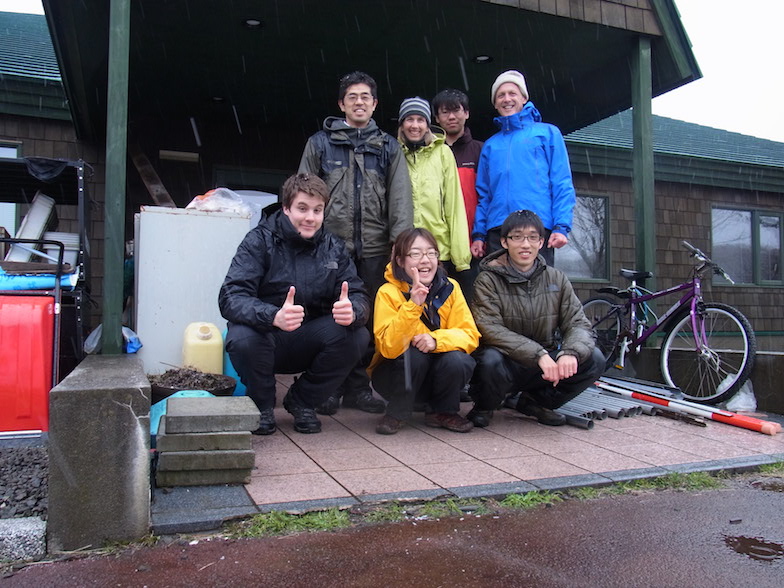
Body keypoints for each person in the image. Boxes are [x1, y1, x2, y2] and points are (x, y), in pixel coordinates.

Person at [219, 173, 371, 435]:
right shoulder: (258, 241)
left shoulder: (333, 247)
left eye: (317, 210)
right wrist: (273, 315)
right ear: (286, 207)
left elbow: (358, 294)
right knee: (241, 337)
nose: (310, 217)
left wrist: (353, 310)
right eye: (302, 208)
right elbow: (230, 297)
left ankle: (302, 401)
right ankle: (263, 405)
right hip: (266, 337)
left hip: (309, 340)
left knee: (357, 335)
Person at [299, 71, 413, 415]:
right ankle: (327, 387)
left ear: (375, 104)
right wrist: (307, 239)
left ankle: (359, 388)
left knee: (367, 319)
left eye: (365, 96)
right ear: (341, 103)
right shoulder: (320, 143)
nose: (359, 102)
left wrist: (400, 247)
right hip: (329, 248)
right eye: (352, 96)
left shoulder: (389, 147)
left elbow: (400, 199)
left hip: (376, 250)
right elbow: (303, 192)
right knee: (326, 317)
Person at [467, 210, 604, 428]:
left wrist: (570, 352)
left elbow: (577, 323)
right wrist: (538, 354)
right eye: (517, 237)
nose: (525, 244)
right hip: (505, 361)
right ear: (504, 241)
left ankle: (535, 402)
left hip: (544, 363)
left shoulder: (556, 278)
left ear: (541, 243)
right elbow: (488, 327)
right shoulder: (487, 279)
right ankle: (485, 406)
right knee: (489, 360)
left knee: (593, 358)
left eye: (532, 238)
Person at [370, 228, 478, 434]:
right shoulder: (388, 292)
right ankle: (397, 413)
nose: (425, 260)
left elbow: (469, 335)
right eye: (416, 254)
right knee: (414, 354)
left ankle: (443, 412)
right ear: (400, 261)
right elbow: (388, 347)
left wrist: (436, 340)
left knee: (458, 359)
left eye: (431, 253)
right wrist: (413, 305)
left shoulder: (451, 288)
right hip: (397, 375)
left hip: (439, 377)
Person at [471, 70, 576, 266]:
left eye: (512, 93)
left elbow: (561, 182)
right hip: (498, 230)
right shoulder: (491, 146)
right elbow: (484, 196)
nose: (507, 99)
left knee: (537, 292)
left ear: (524, 98)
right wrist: (478, 233)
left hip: (536, 228)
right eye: (500, 95)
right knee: (498, 292)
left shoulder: (548, 133)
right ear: (495, 103)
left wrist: (561, 227)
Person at [397, 96, 471, 277]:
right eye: (409, 119)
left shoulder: (443, 153)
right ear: (402, 124)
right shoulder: (394, 153)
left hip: (438, 251)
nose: (415, 125)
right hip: (405, 252)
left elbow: (454, 206)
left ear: (428, 124)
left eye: (420, 120)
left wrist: (461, 258)